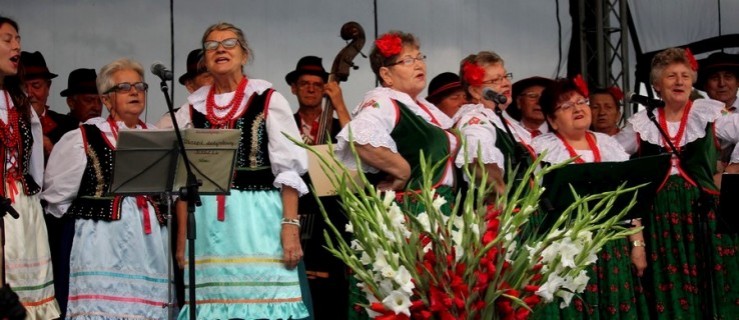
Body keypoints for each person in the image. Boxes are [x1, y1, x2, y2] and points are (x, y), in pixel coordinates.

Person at [172, 22, 309, 319]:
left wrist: (290, 225)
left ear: (245, 55)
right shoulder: (190, 110)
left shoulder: (268, 100)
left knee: (266, 305)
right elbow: (181, 180)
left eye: (229, 43)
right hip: (208, 224)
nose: (220, 48)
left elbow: (289, 170)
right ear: (205, 60)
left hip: (259, 218)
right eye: (211, 45)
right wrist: (182, 236)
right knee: (212, 306)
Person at [335, 31, 458, 319]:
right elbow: (359, 135)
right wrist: (400, 169)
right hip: (412, 217)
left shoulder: (423, 108)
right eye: (408, 60)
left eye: (419, 57)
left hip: (439, 214)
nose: (419, 65)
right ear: (386, 75)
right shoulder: (383, 101)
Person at [616, 47, 739, 319]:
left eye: (685, 75)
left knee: (715, 286)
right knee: (670, 285)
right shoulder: (640, 123)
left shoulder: (709, 115)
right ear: (657, 85)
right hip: (659, 217)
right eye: (671, 76)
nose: (680, 81)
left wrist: (732, 169)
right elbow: (611, 155)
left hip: (705, 210)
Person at [42, 58, 169, 319]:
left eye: (139, 86)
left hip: (148, 241)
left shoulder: (158, 137)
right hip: (102, 240)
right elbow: (57, 197)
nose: (134, 92)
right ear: (107, 99)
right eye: (124, 87)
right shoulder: (83, 137)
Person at [531, 77, 648, 319]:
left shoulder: (609, 145)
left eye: (581, 102)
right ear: (552, 120)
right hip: (567, 250)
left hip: (611, 246)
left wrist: (637, 245)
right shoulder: (541, 149)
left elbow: (629, 201)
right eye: (566, 106)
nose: (578, 108)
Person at [0, 16, 61, 320]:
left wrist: (29, 194)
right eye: (8, 39)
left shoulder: (18, 101)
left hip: (21, 205)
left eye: (18, 39)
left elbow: (34, 161)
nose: (17, 46)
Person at [285, 55, 350, 319]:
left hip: (332, 218)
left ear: (325, 88)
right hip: (296, 215)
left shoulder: (337, 124)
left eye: (317, 84)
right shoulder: (284, 125)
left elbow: (360, 148)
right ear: (293, 88)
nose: (311, 89)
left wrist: (339, 103)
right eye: (304, 84)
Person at [454, 51, 534, 195]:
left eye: (505, 76)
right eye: (495, 80)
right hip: (506, 214)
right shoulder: (476, 121)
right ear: (475, 91)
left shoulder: (499, 120)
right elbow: (479, 166)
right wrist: (500, 200)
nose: (505, 83)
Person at [20, 51, 78, 160]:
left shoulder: (70, 126)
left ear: (48, 87)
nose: (29, 94)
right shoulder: (7, 127)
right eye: (23, 87)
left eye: (36, 86)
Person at [155, 49, 213, 129]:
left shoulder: (235, 113)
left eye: (220, 75)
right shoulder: (173, 121)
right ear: (190, 85)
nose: (217, 81)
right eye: (208, 76)